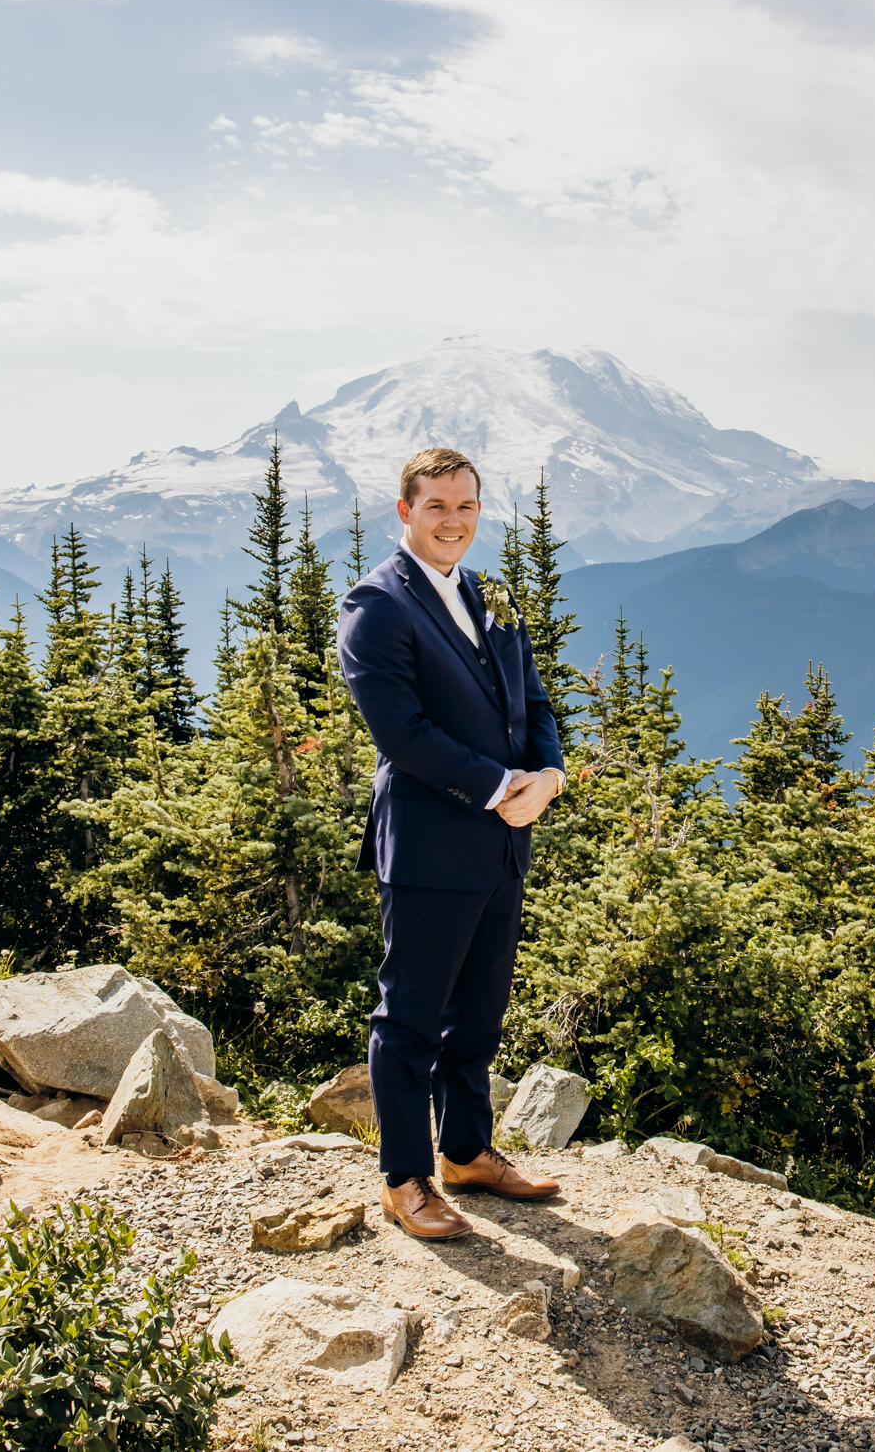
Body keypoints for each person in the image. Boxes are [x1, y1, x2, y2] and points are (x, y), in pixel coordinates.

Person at [335, 446, 567, 1240]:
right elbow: (404, 733)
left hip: (504, 844)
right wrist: (505, 788)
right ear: (405, 511)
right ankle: (406, 1178)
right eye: (437, 506)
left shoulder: (486, 594)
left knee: (479, 1010)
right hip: (432, 845)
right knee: (410, 1017)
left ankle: (468, 1150)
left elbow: (534, 699)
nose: (454, 521)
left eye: (467, 506)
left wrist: (549, 774)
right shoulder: (377, 605)